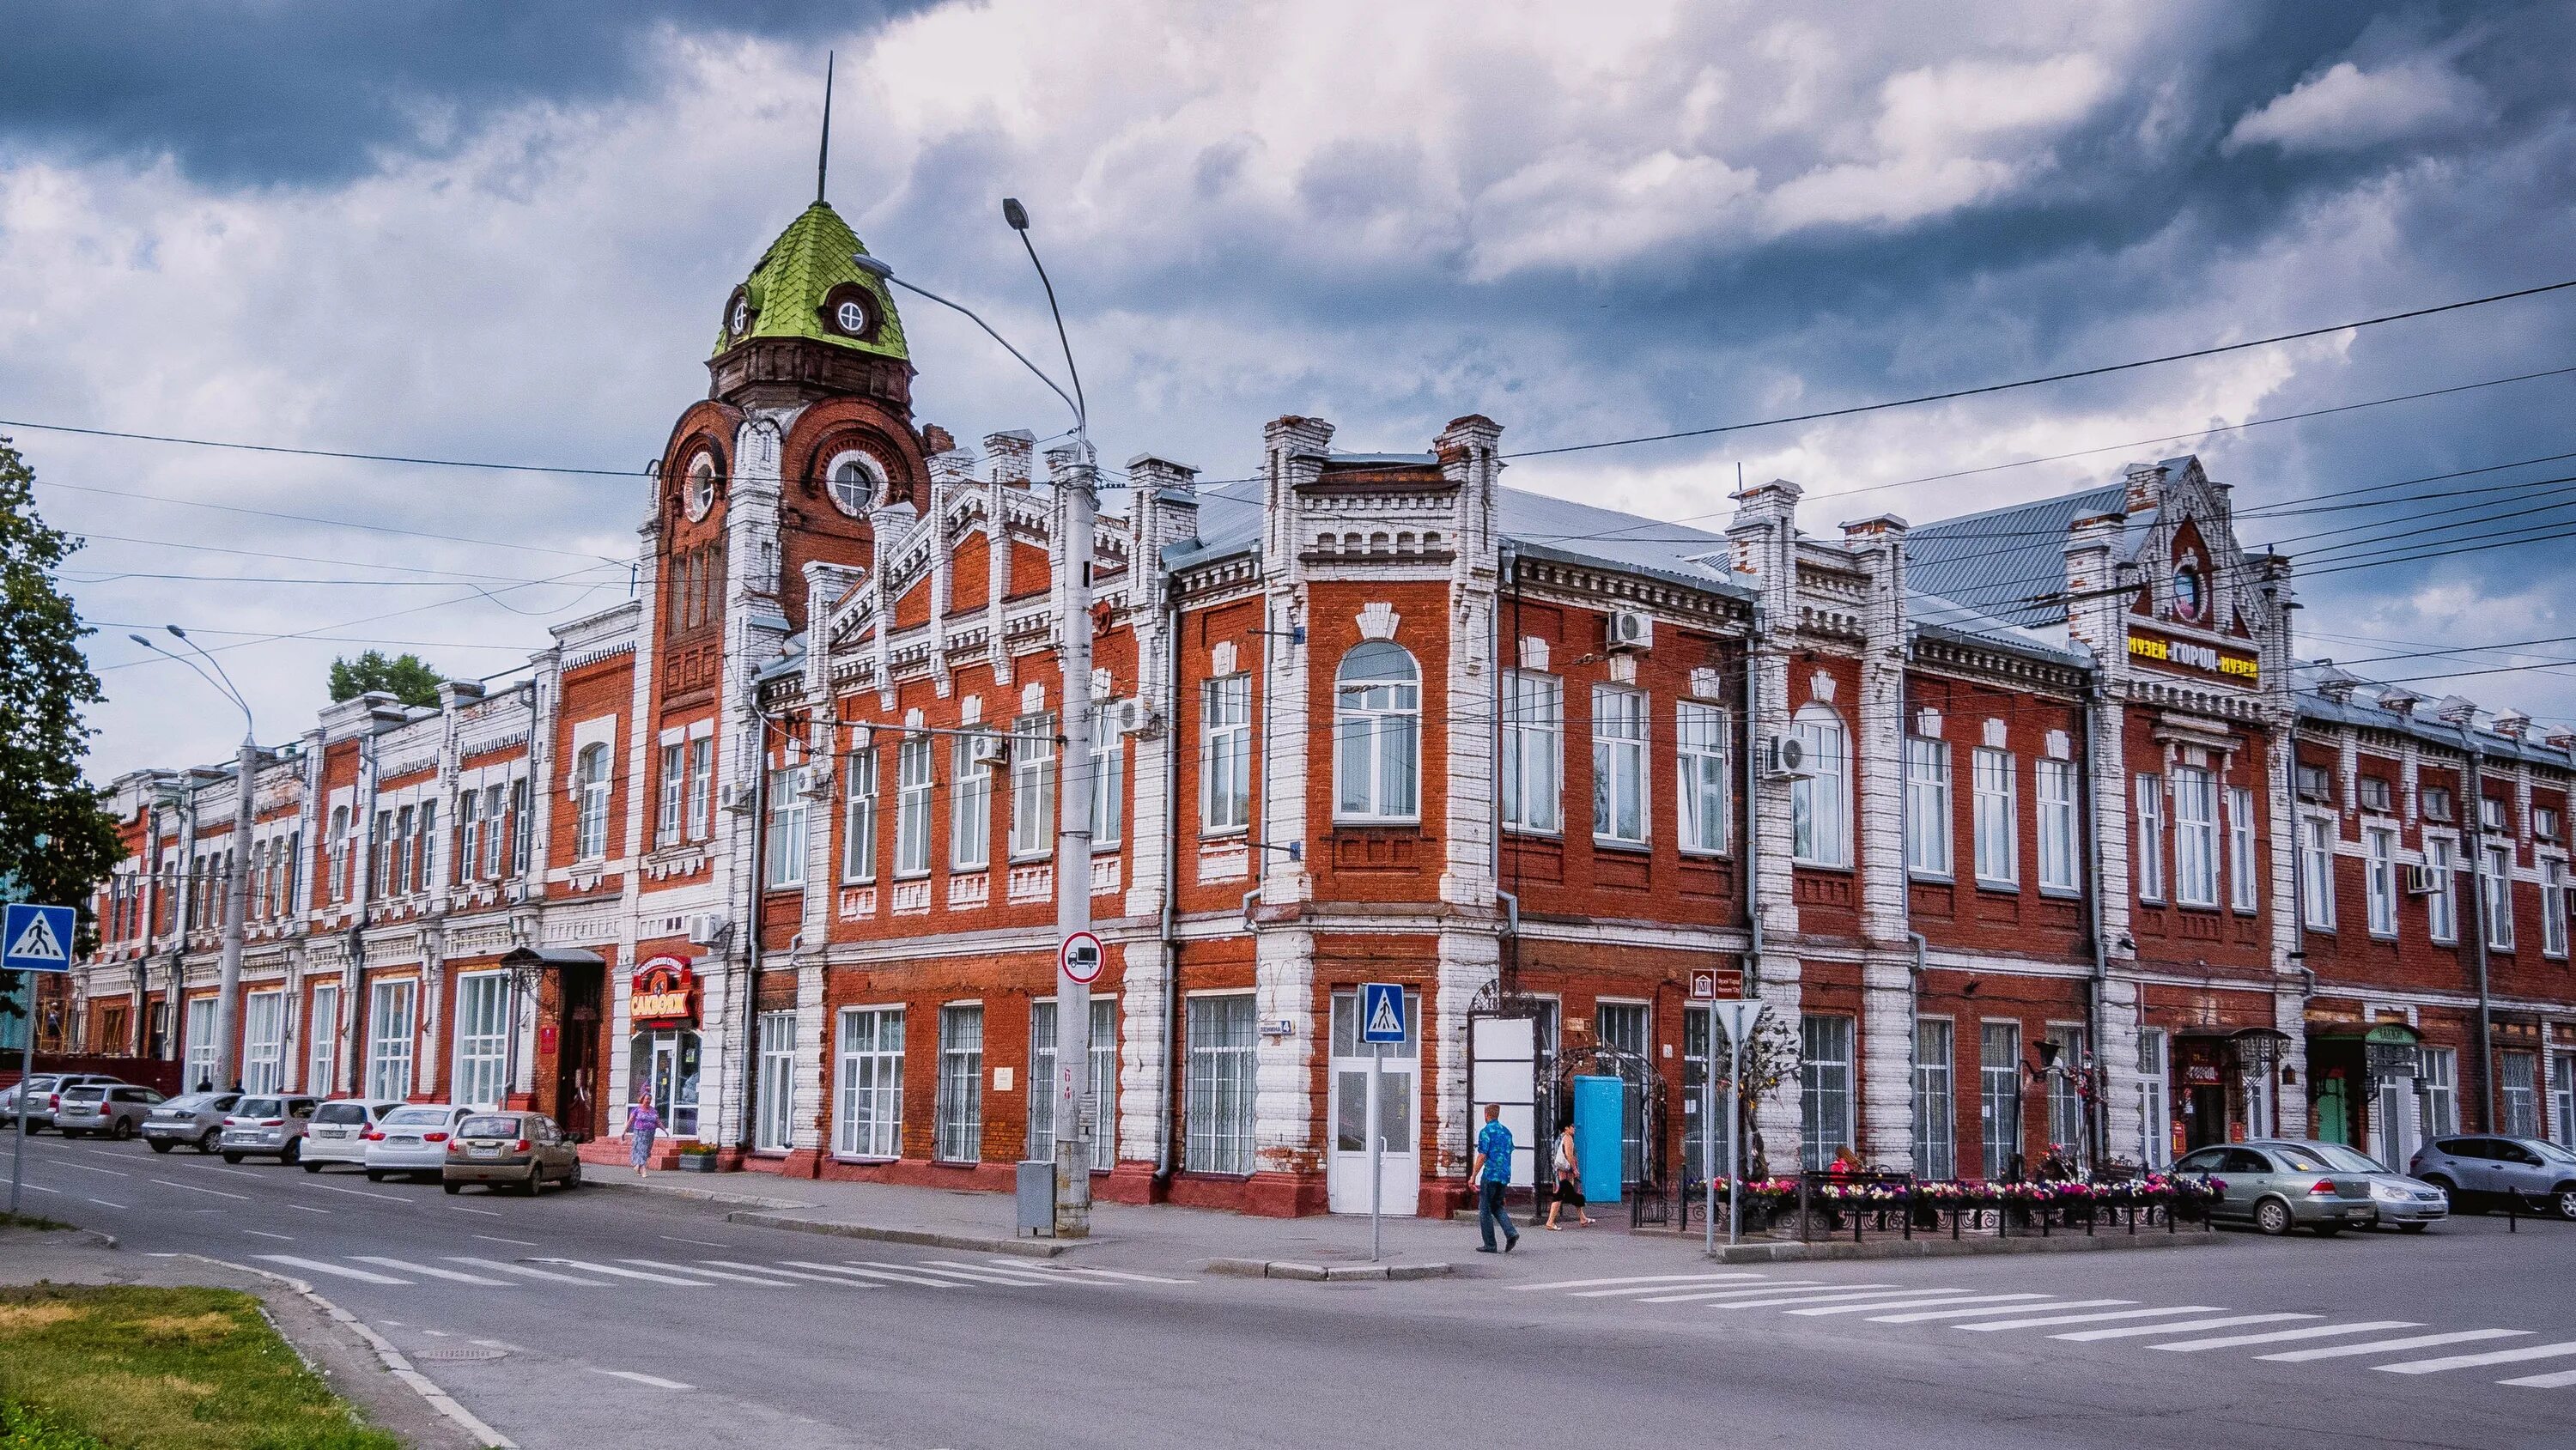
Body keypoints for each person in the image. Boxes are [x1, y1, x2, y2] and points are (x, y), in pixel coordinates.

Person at [1469, 1103, 1520, 1253]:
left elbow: (1482, 1156)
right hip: (1504, 1175)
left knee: (1484, 1209)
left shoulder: (1486, 1132)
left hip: (1490, 1174)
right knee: (1497, 1205)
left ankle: (1490, 1245)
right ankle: (1511, 1232)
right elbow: (1508, 1153)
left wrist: (1473, 1177)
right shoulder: (1507, 1132)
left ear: (1486, 1115)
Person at [1545, 1117, 1593, 1229]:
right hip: (1567, 1172)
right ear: (1566, 1128)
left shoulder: (1558, 1139)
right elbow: (1569, 1155)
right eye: (1572, 1126)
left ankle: (1583, 1218)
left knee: (1575, 1195)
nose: (1574, 1129)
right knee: (1560, 1195)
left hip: (1561, 1171)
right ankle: (1550, 1222)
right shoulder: (1568, 1138)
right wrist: (1575, 1169)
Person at [625, 1094, 662, 1177]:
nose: (648, 1101)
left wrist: (664, 1130)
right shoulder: (637, 1110)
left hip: (650, 1134)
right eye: (647, 1099)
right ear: (642, 1099)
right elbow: (630, 1121)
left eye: (650, 1099)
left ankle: (637, 1167)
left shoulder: (653, 1111)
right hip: (640, 1133)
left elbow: (658, 1122)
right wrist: (624, 1132)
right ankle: (644, 1170)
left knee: (646, 1151)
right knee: (642, 1150)